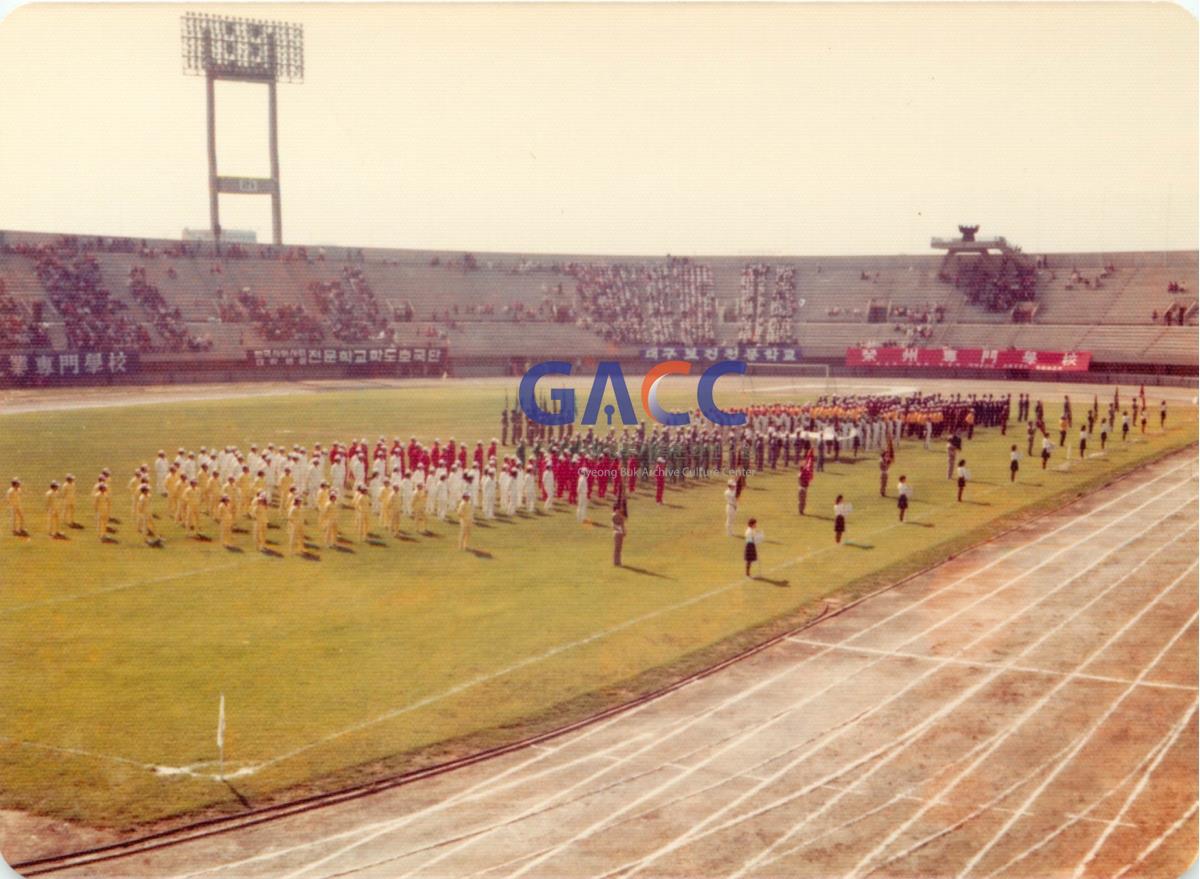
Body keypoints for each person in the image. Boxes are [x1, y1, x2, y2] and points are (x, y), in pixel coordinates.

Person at [612, 500, 627, 566]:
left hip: (620, 532)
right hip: (617, 533)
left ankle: (618, 561)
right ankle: (616, 561)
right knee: (617, 548)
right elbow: (617, 524)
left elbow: (623, 523)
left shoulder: (619, 515)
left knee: (619, 548)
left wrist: (624, 531)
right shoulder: (614, 515)